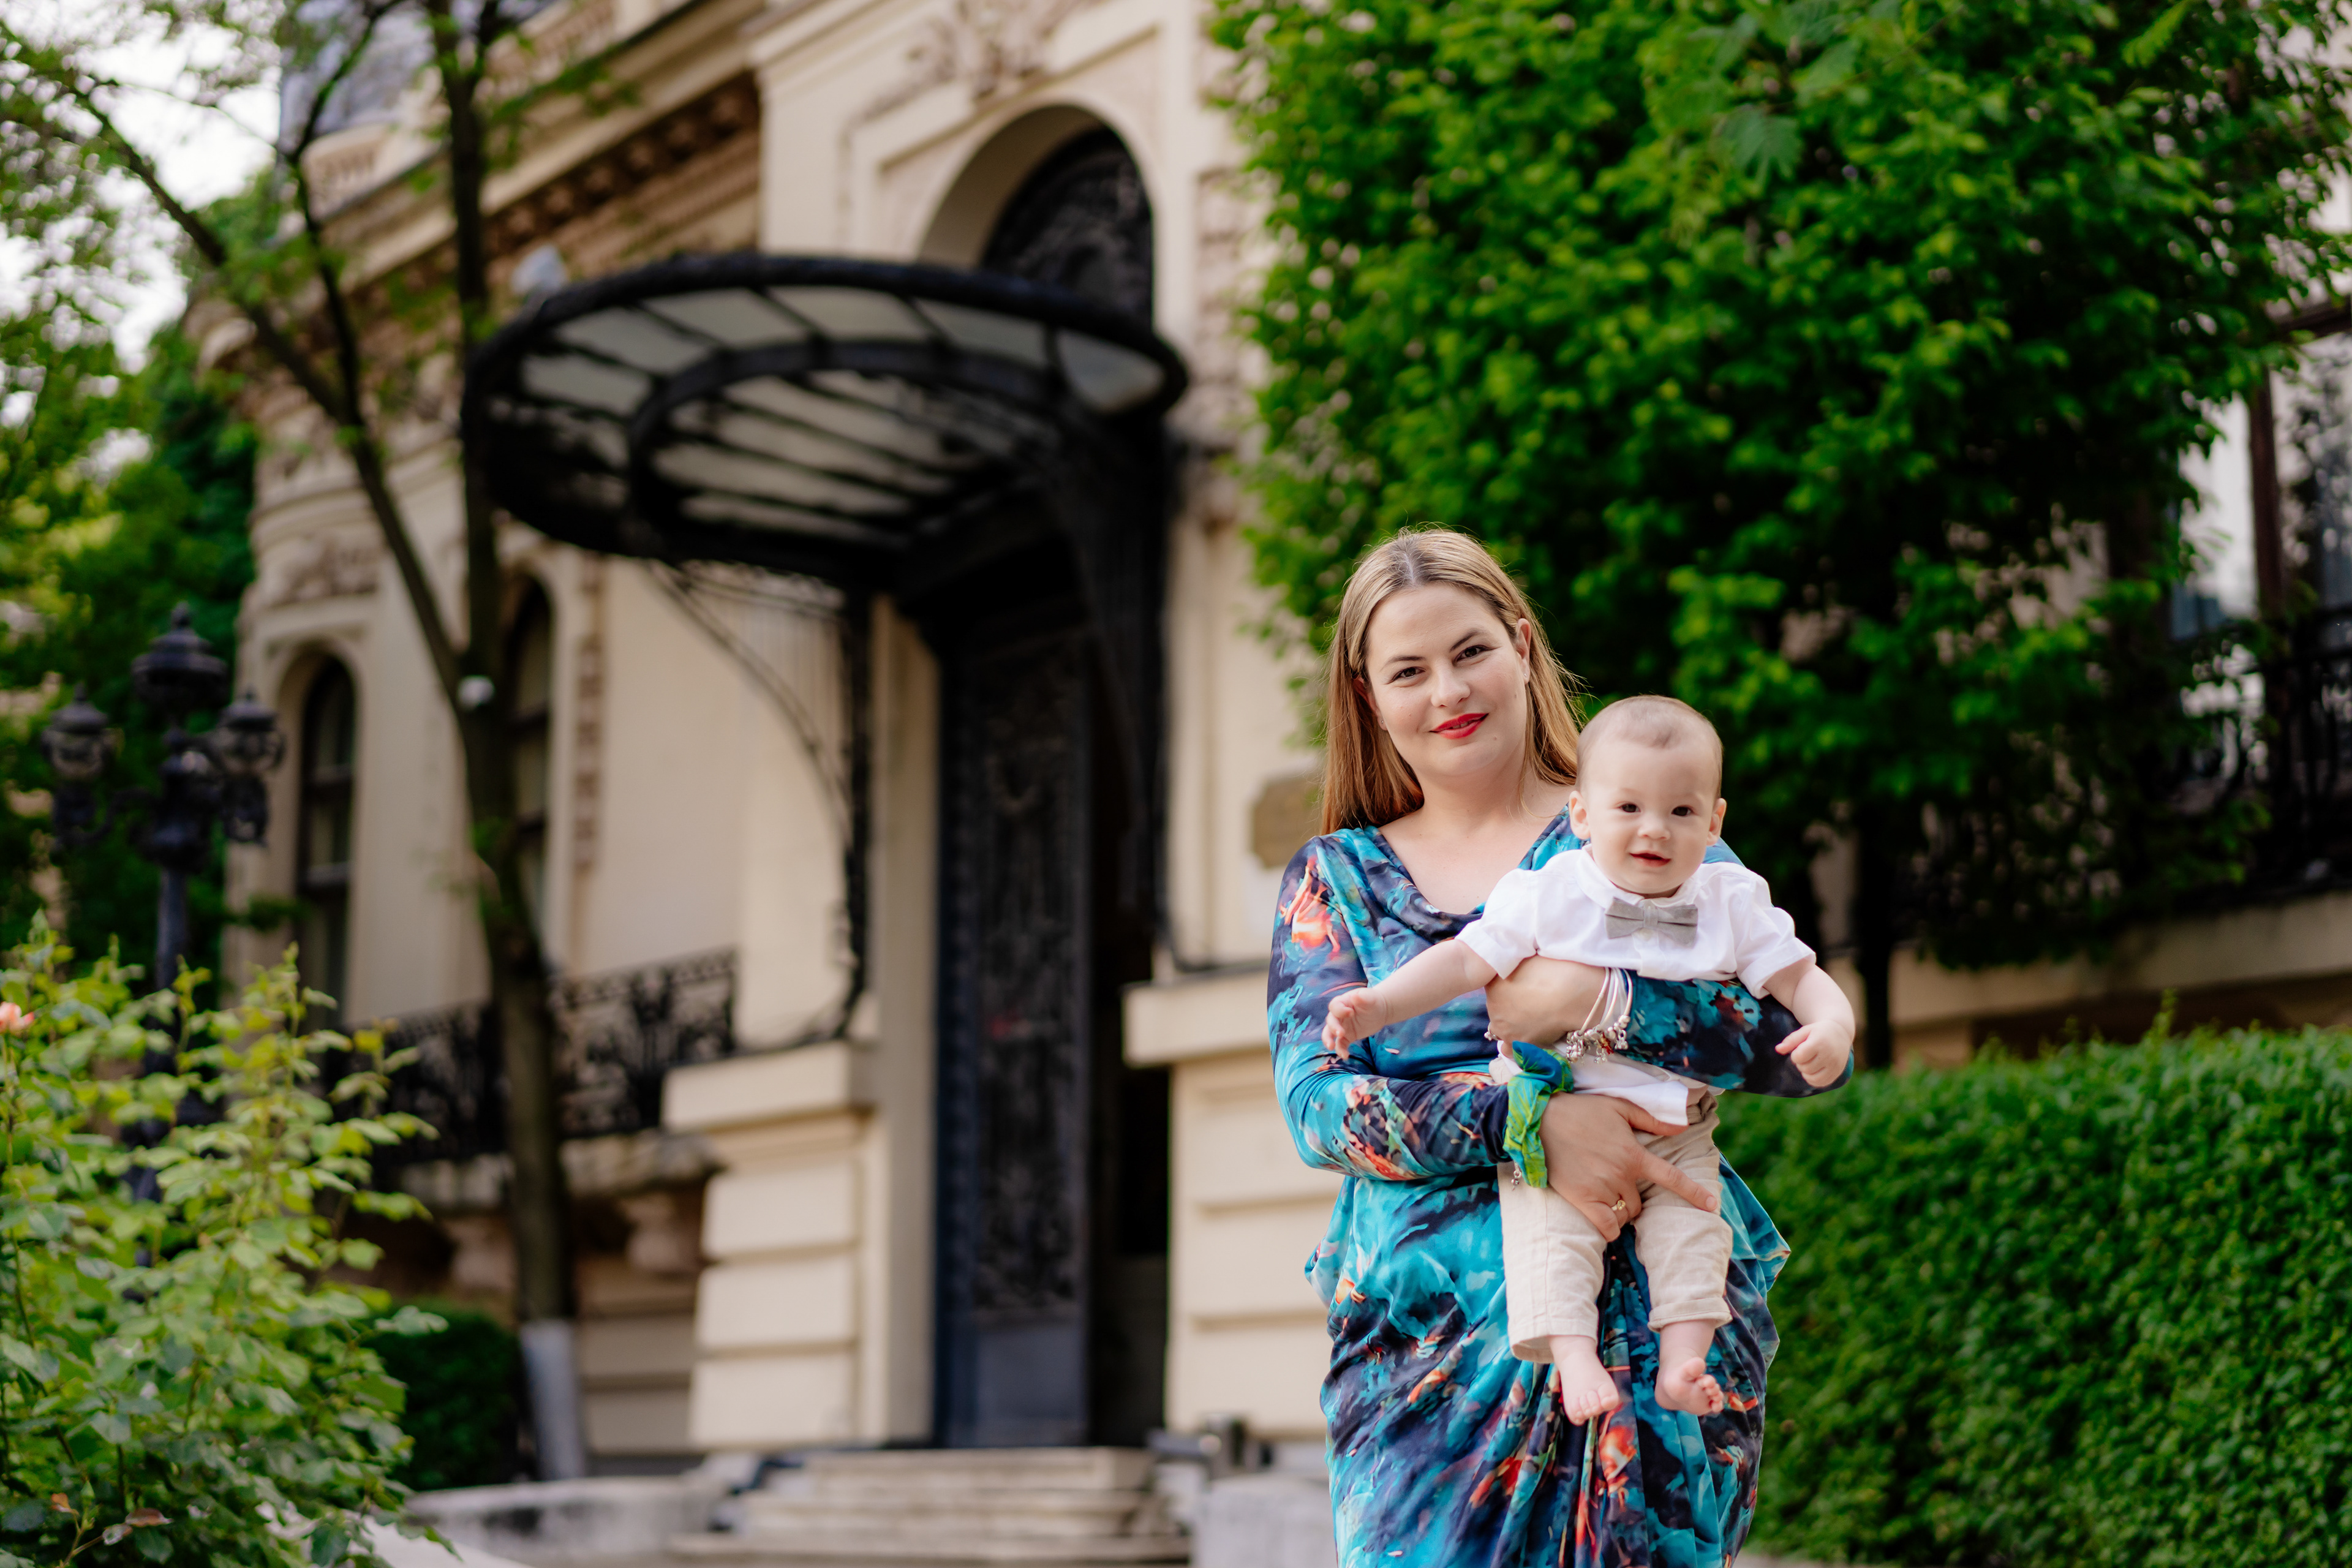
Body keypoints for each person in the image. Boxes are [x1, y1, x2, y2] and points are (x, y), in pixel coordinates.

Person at [1268, 527, 1833, 1566]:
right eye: (1409, 671)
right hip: (1425, 1368)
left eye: (1471, 651)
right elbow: (1318, 1110)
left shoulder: (1644, 826)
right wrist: (1529, 1124)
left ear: (1522, 646)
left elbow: (1785, 1047)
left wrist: (1599, 1001)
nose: (1449, 691)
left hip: (1650, 1343)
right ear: (1368, 697)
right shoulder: (1336, 882)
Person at [1321, 693, 1855, 1425]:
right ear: (1581, 815)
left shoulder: (1731, 900)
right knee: (1549, 1235)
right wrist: (1380, 1005)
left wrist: (1834, 1022)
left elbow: (1799, 979)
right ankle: (1574, 1358)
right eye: (1628, 807)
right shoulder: (1552, 892)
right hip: (1555, 1100)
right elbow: (1465, 961)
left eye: (1681, 811)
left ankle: (1683, 1364)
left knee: (1697, 1234)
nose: (1653, 829)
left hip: (1678, 1127)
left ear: (1714, 822)